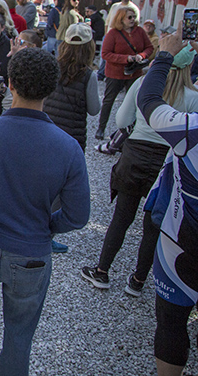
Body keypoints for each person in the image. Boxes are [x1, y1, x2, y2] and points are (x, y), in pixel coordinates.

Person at [0, 48, 90, 376]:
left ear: (11, 85)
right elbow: (78, 216)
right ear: (52, 88)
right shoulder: (68, 148)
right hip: (31, 253)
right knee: (19, 339)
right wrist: (48, 226)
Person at [82, 43, 198, 298]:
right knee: (153, 225)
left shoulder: (143, 84)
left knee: (121, 218)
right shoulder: (193, 96)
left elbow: (122, 121)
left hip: (135, 155)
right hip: (166, 162)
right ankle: (138, 279)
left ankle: (102, 270)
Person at [137, 25, 198, 376]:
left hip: (183, 241)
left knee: (172, 322)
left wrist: (164, 56)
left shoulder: (190, 129)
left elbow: (149, 103)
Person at [95, 6, 154, 140]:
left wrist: (142, 55)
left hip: (134, 72)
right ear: (121, 19)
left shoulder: (139, 32)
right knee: (109, 100)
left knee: (133, 101)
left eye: (134, 17)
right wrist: (125, 58)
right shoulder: (113, 34)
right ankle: (101, 128)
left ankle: (129, 130)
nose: (133, 20)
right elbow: (105, 54)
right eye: (129, 17)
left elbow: (149, 47)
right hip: (115, 73)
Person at [43, 22, 100, 150]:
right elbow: (94, 109)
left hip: (47, 131)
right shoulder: (88, 76)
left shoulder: (51, 66)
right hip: (72, 137)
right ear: (90, 46)